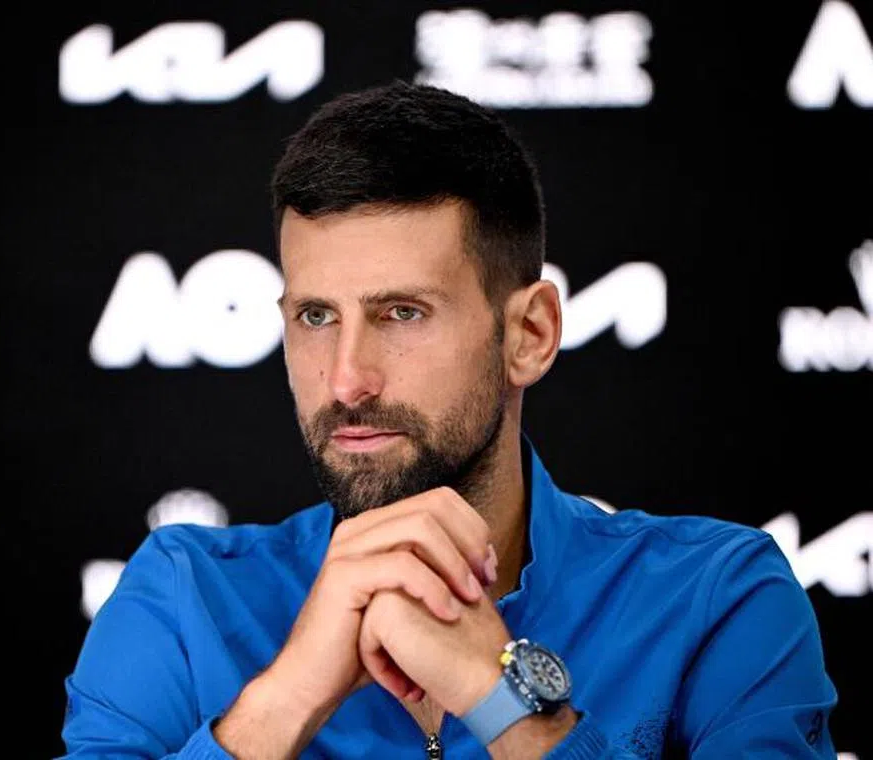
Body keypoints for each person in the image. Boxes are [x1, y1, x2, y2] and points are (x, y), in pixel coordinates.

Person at [57, 80, 838, 758]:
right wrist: (287, 698)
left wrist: (505, 705)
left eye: (403, 312)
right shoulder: (183, 595)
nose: (347, 379)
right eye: (316, 315)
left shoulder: (717, 596)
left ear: (529, 335)